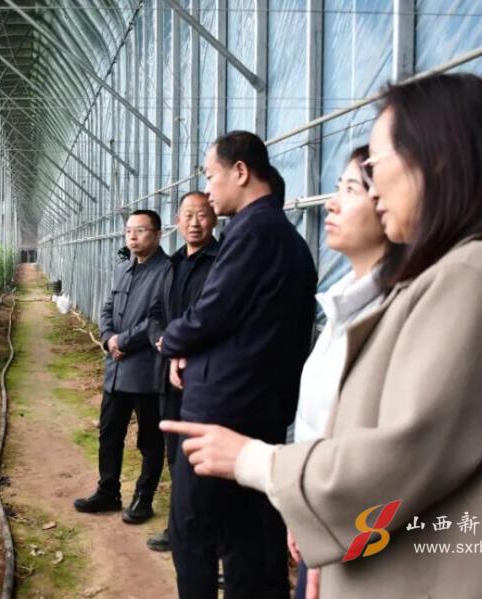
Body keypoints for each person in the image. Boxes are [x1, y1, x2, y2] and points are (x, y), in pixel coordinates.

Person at [163, 73, 482, 599]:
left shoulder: (471, 277)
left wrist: (253, 460)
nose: (370, 190)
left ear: (436, 159)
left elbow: (400, 455)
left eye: (373, 167)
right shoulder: (477, 271)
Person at [159, 131, 317, 599]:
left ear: (241, 172)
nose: (208, 191)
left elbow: (212, 311)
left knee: (192, 533)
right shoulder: (288, 240)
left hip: (222, 413)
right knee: (247, 537)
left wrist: (171, 341)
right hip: (262, 410)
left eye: (211, 176)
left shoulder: (252, 232)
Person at [288, 145, 403, 598]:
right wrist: (303, 515)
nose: (332, 204)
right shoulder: (343, 303)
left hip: (353, 541)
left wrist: (338, 541)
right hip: (322, 523)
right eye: (337, 188)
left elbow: (384, 461)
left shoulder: (396, 314)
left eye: (351, 189)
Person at [74, 209, 171, 524]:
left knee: (149, 439)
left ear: (157, 234)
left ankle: (144, 497)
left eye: (140, 230)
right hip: (115, 368)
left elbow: (157, 319)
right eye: (129, 230)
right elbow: (107, 308)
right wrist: (107, 338)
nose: (133, 236)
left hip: (145, 369)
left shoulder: (167, 271)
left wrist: (122, 341)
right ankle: (108, 491)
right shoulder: (122, 269)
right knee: (109, 433)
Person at [144, 191, 221, 552]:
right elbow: (155, 314)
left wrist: (182, 347)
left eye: (202, 215)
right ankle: (180, 529)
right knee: (175, 455)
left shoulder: (221, 264)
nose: (194, 222)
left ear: (214, 219)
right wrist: (163, 341)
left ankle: (208, 537)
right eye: (187, 215)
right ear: (177, 221)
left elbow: (212, 319)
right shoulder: (171, 264)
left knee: (202, 458)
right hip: (168, 376)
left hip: (203, 377)